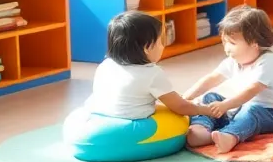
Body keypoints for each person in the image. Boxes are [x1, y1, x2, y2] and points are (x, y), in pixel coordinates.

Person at [183, 5, 273, 153]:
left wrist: (226, 105)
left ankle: (230, 135)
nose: (226, 47)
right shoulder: (234, 61)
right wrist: (187, 96)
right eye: (224, 41)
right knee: (210, 97)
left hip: (271, 114)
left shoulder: (268, 62)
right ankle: (201, 129)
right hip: (239, 109)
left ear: (254, 44)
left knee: (251, 110)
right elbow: (212, 78)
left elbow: (251, 91)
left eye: (232, 43)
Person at [75, 11, 208, 122]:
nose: (163, 46)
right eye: (160, 42)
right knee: (179, 118)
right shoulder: (152, 73)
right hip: (131, 126)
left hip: (98, 117)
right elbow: (180, 107)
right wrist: (204, 110)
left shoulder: (105, 65)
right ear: (147, 47)